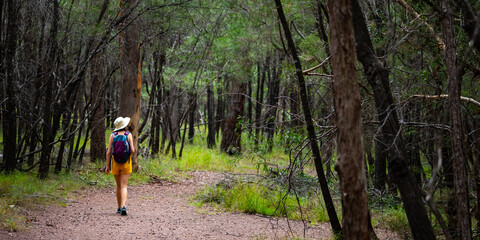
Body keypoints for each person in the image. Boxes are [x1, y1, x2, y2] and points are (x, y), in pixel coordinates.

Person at [105, 116, 135, 216]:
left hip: (115, 163)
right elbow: (133, 150)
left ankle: (118, 207)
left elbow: (109, 152)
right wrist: (128, 157)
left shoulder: (112, 135)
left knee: (118, 186)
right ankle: (123, 206)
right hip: (126, 163)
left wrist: (107, 166)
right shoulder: (128, 135)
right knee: (124, 186)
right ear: (125, 125)